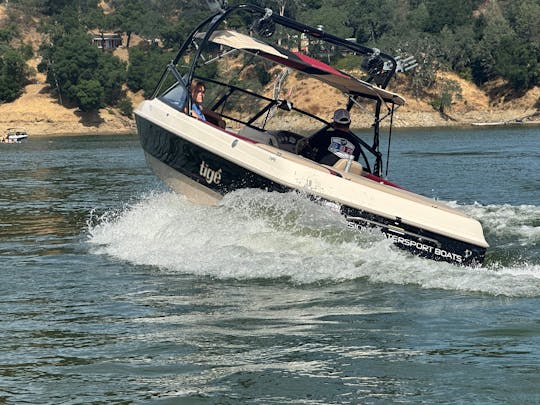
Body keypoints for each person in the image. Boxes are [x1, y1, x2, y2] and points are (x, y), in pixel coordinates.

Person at [298, 108, 362, 166]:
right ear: (349, 123)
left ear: (334, 122)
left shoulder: (323, 136)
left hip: (323, 171)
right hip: (344, 176)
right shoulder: (356, 145)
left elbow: (308, 145)